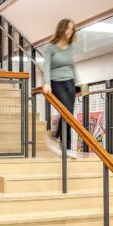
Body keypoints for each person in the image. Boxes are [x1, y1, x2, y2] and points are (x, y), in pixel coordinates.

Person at [42, 18, 81, 158]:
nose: (70, 31)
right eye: (68, 28)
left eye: (72, 29)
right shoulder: (50, 47)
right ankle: (56, 136)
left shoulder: (70, 47)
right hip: (56, 81)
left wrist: (77, 85)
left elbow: (72, 66)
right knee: (66, 112)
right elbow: (46, 65)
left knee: (69, 116)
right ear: (62, 29)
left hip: (69, 81)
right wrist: (46, 83)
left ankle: (65, 147)